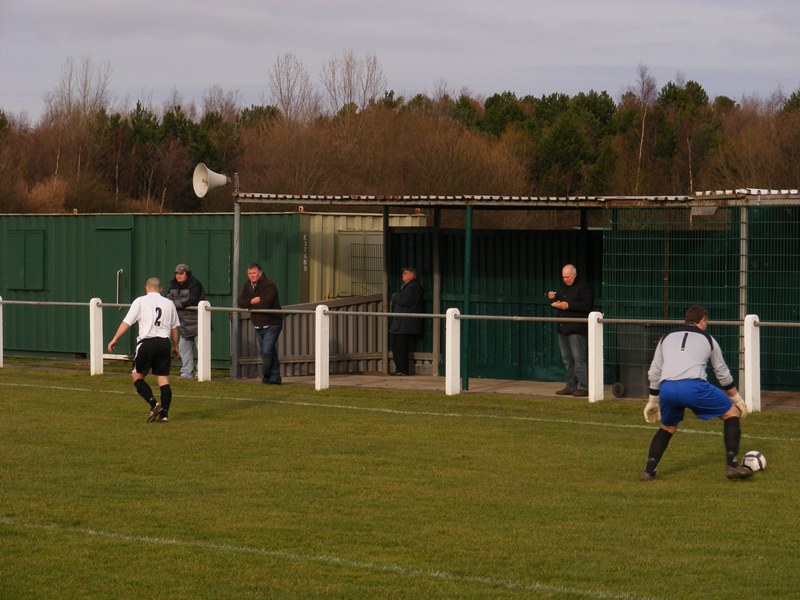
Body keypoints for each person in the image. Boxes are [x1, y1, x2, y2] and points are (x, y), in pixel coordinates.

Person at [641, 304, 751, 481]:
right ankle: (732, 465)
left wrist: (653, 401)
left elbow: (654, 372)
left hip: (667, 388)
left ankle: (649, 471)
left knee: (667, 427)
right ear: (702, 321)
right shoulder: (708, 339)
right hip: (693, 386)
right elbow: (722, 373)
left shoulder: (666, 337)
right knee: (731, 414)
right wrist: (737, 399)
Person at [107, 277, 180, 423]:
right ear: (161, 289)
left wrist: (115, 339)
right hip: (164, 343)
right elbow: (174, 328)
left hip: (147, 342)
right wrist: (175, 346)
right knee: (163, 379)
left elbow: (127, 322)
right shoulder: (169, 304)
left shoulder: (140, 301)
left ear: (146, 288)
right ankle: (164, 415)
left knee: (137, 376)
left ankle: (154, 404)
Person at [547, 264, 594, 397]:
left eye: (567, 277)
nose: (565, 279)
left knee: (579, 359)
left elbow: (587, 305)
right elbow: (560, 303)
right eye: (563, 277)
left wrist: (569, 305)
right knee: (567, 359)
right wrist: (553, 299)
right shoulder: (563, 287)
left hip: (576, 328)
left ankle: (584, 386)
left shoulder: (584, 287)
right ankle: (570, 385)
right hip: (563, 327)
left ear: (574, 274)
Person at [237, 262, 283, 385]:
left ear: (260, 273)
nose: (252, 275)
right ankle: (275, 378)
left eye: (254, 273)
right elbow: (240, 302)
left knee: (266, 352)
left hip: (272, 323)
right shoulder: (247, 285)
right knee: (269, 351)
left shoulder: (269, 285)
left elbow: (265, 304)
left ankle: (266, 376)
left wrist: (250, 306)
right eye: (249, 273)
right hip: (258, 324)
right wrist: (252, 301)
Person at [166, 263, 205, 379]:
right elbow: (167, 297)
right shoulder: (173, 284)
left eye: (181, 273)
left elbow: (192, 300)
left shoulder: (195, 284)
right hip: (183, 323)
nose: (179, 276)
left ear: (187, 274)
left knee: (202, 349)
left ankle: (201, 372)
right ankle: (186, 372)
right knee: (184, 349)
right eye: (177, 273)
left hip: (198, 322)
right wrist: (173, 303)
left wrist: (175, 304)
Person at [389, 266, 424, 376]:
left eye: (406, 273)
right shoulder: (407, 286)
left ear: (412, 275)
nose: (403, 275)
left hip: (405, 324)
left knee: (400, 347)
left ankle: (402, 370)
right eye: (403, 273)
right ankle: (400, 369)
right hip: (401, 324)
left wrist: (395, 296)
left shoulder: (413, 286)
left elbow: (406, 300)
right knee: (397, 346)